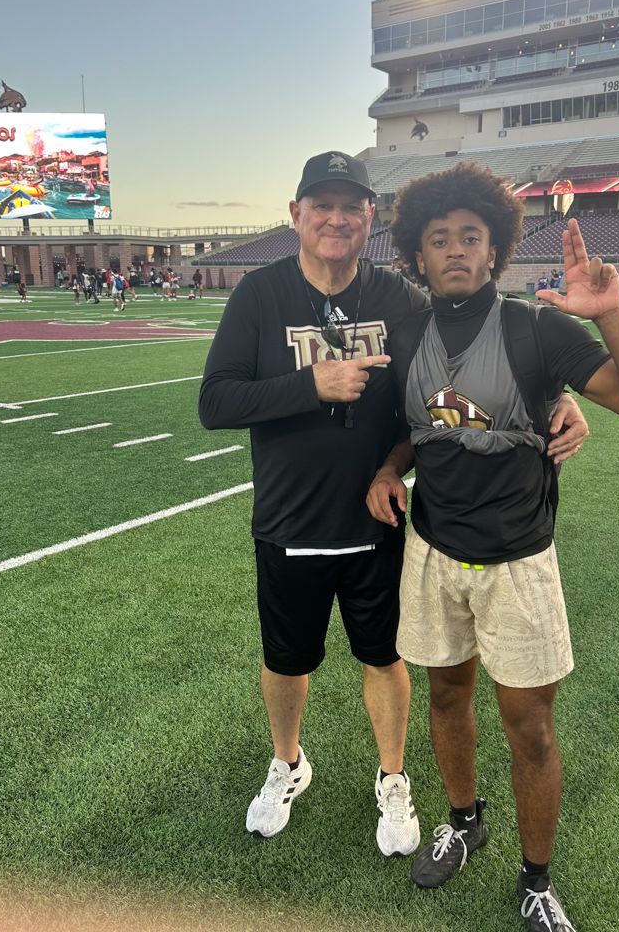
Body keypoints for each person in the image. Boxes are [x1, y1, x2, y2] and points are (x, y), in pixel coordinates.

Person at [198, 151, 590, 858]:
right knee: (287, 661)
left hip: (384, 520)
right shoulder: (259, 296)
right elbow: (214, 402)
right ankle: (287, 763)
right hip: (289, 520)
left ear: (369, 220)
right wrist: (308, 385)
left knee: (385, 658)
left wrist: (555, 400)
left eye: (352, 207)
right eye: (322, 204)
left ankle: (393, 776)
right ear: (296, 215)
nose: (337, 218)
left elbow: (478, 345)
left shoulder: (398, 299)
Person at [366, 162, 619, 932]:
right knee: (445, 696)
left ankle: (536, 878)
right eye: (438, 239)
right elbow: (418, 424)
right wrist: (387, 467)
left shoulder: (536, 328)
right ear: (417, 256)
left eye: (471, 235)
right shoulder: (406, 336)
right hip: (434, 553)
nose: (455, 249)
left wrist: (610, 316)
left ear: (497, 248)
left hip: (519, 561)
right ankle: (466, 821)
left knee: (531, 728)